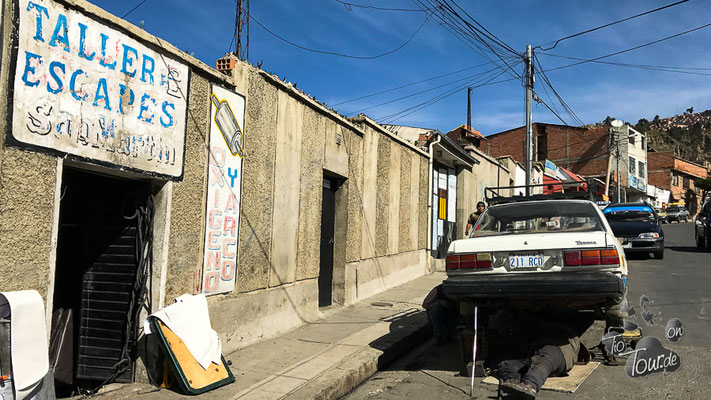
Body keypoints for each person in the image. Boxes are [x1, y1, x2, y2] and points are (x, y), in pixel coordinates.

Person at [490, 309, 589, 399]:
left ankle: (529, 386)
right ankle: (514, 384)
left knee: (543, 359)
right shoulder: (530, 331)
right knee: (506, 364)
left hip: (560, 350)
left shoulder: (557, 334)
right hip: (536, 356)